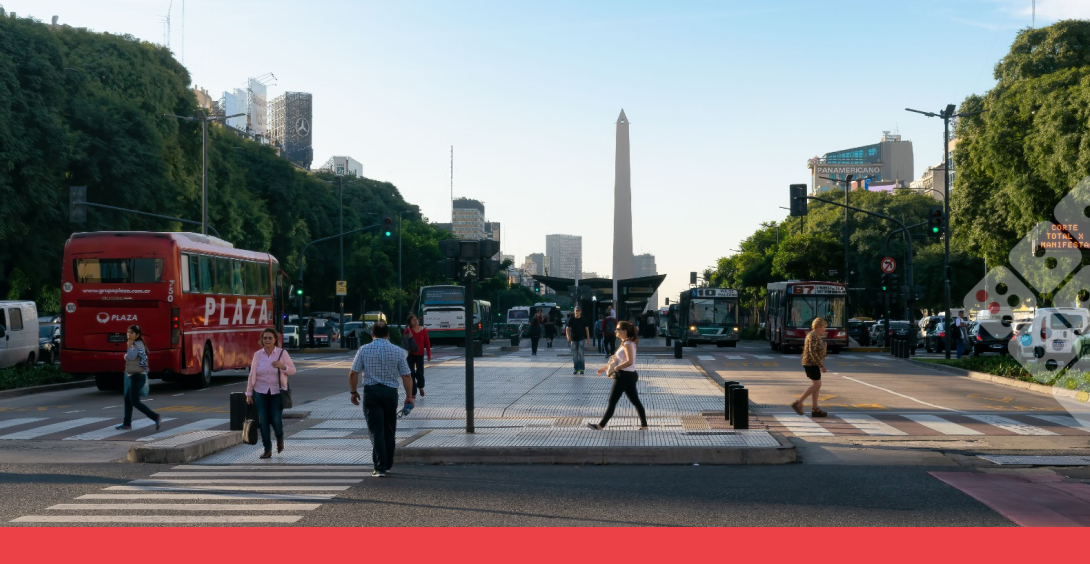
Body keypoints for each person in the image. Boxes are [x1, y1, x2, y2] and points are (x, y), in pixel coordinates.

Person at [348, 322, 413, 477]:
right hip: (390, 392)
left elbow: (353, 373)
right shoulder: (398, 351)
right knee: (389, 429)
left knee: (376, 430)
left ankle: (380, 467)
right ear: (388, 334)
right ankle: (388, 464)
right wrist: (409, 397)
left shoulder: (364, 350)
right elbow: (407, 376)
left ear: (373, 334)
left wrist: (353, 392)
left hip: (372, 393)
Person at [587, 321, 648, 430]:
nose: (615, 331)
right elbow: (615, 359)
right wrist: (604, 368)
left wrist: (617, 368)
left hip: (624, 376)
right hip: (629, 375)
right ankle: (644, 426)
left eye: (618, 329)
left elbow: (630, 361)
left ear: (624, 331)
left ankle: (601, 425)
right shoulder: (625, 342)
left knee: (612, 401)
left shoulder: (628, 344)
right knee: (635, 401)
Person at [246, 327, 297, 459]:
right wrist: (249, 393)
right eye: (265, 338)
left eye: (270, 338)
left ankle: (279, 437)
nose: (267, 340)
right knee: (263, 421)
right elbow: (252, 374)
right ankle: (267, 449)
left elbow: (292, 370)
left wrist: (282, 366)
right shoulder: (258, 355)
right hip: (260, 391)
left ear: (275, 340)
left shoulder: (282, 353)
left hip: (277, 392)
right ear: (262, 340)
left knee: (275, 419)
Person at [116, 325, 162, 431]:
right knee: (128, 399)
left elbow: (131, 357)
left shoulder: (137, 344)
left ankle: (155, 417)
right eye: (128, 332)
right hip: (136, 375)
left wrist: (127, 350)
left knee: (135, 401)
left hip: (138, 375)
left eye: (131, 332)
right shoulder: (139, 344)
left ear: (137, 335)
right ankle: (127, 423)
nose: (129, 334)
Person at [791, 317, 828, 418]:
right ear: (818, 327)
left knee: (817, 385)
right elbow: (812, 352)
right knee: (817, 384)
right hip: (810, 363)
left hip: (813, 363)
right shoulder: (812, 336)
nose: (824, 330)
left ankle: (815, 408)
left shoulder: (815, 336)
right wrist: (821, 365)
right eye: (823, 327)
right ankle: (799, 402)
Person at [403, 314, 432, 399]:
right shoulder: (408, 330)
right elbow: (405, 343)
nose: (415, 321)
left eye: (416, 319)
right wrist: (408, 337)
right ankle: (413, 392)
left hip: (420, 355)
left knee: (420, 373)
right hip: (410, 355)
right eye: (413, 320)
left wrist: (429, 354)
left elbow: (427, 343)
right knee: (411, 373)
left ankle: (421, 387)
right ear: (410, 322)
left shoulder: (423, 330)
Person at [566, 306, 591, 375]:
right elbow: (567, 328)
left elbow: (587, 329)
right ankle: (576, 368)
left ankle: (582, 369)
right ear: (574, 311)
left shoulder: (583, 319)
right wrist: (568, 336)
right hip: (574, 339)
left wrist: (588, 339)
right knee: (575, 354)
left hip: (582, 338)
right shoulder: (571, 319)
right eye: (576, 310)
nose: (577, 312)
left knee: (581, 353)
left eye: (578, 311)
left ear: (581, 311)